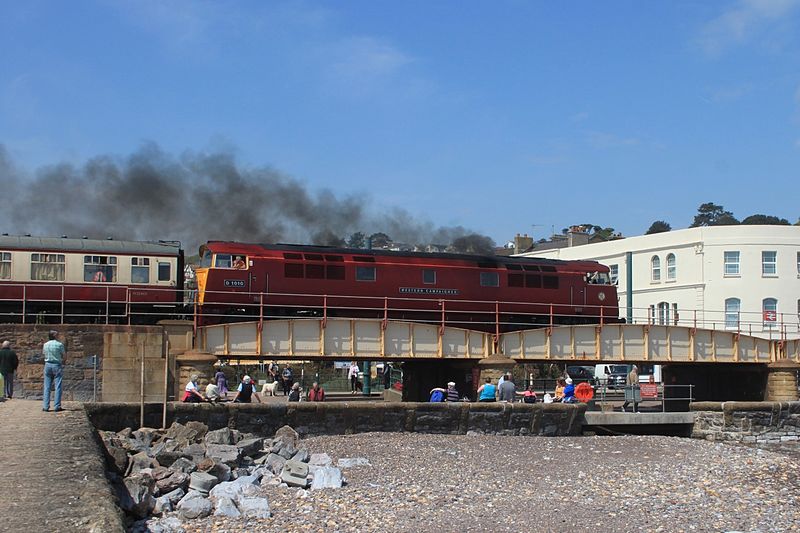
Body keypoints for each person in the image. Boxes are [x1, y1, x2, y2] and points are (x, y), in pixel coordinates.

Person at [42, 330, 65, 412]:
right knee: (58, 386)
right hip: (56, 365)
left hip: (47, 364)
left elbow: (44, 353)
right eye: (57, 334)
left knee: (47, 386)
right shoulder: (59, 344)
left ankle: (45, 406)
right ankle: (57, 406)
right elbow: (63, 355)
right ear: (54, 336)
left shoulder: (45, 344)